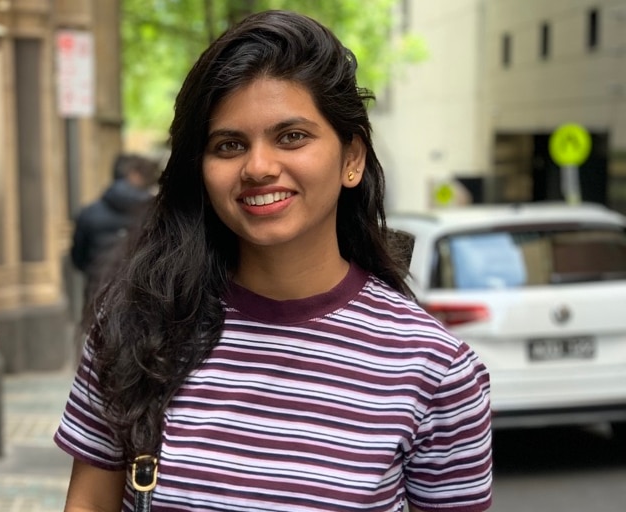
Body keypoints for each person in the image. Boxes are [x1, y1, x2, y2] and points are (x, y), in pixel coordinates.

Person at [55, 10, 492, 512]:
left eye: (291, 137)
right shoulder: (134, 328)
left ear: (352, 159)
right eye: (229, 145)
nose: (258, 167)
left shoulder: (435, 370)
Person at [70, 153, 158, 306]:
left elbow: (78, 258)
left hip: (97, 290)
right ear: (135, 175)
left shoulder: (89, 213)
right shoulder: (155, 212)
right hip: (140, 295)